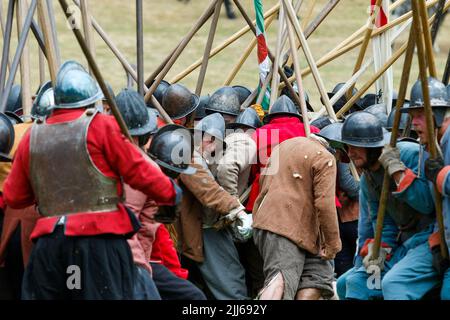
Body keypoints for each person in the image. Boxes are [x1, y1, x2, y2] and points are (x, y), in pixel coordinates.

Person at [3, 60, 180, 300]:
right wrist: (170, 193)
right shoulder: (101, 127)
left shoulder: (33, 135)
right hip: (98, 243)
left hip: (51, 243)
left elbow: (15, 196)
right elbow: (139, 172)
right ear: (91, 100)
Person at [335, 112, 435, 300]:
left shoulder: (408, 154)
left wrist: (398, 172)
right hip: (402, 243)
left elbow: (428, 205)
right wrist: (381, 249)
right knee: (349, 282)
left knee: (393, 285)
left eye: (356, 146)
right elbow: (381, 223)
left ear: (371, 146)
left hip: (428, 238)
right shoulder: (368, 179)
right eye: (348, 147)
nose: (350, 153)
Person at [381, 77, 450, 300]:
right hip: (441, 239)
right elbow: (429, 204)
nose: (414, 123)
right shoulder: (427, 146)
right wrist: (398, 172)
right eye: (412, 116)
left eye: (420, 115)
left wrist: (441, 175)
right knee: (394, 283)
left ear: (438, 115)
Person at [252, 134, 341, 300]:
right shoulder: (325, 157)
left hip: (282, 225)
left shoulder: (283, 147)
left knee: (317, 278)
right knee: (281, 281)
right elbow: (325, 204)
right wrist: (333, 244)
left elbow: (263, 183)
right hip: (282, 227)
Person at [175, 113, 250, 300]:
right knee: (232, 286)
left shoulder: (190, 155)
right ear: (209, 140)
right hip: (202, 228)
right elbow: (208, 190)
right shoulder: (189, 157)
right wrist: (236, 209)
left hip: (194, 228)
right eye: (217, 147)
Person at [246, 95, 320, 213]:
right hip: (302, 190)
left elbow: (253, 168)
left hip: (266, 192)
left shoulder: (260, 133)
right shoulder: (311, 131)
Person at [219, 108, 264, 298]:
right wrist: (233, 205)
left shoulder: (229, 139)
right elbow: (227, 168)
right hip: (223, 216)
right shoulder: (246, 142)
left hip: (217, 213)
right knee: (233, 272)